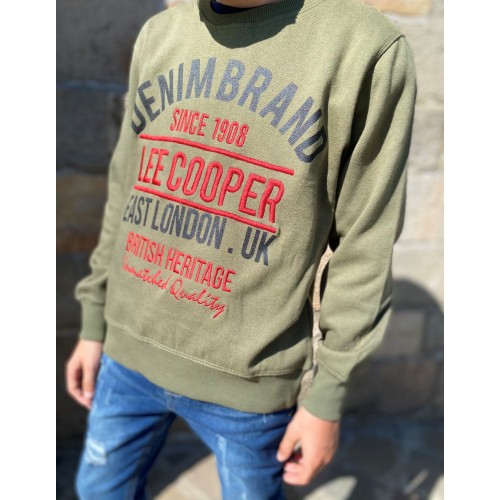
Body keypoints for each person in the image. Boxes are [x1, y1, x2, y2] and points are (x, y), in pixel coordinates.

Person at [65, 0, 417, 498]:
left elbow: (366, 242)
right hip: (126, 353)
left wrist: (327, 396)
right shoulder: (160, 34)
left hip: (249, 387)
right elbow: (127, 186)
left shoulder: (364, 49)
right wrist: (94, 319)